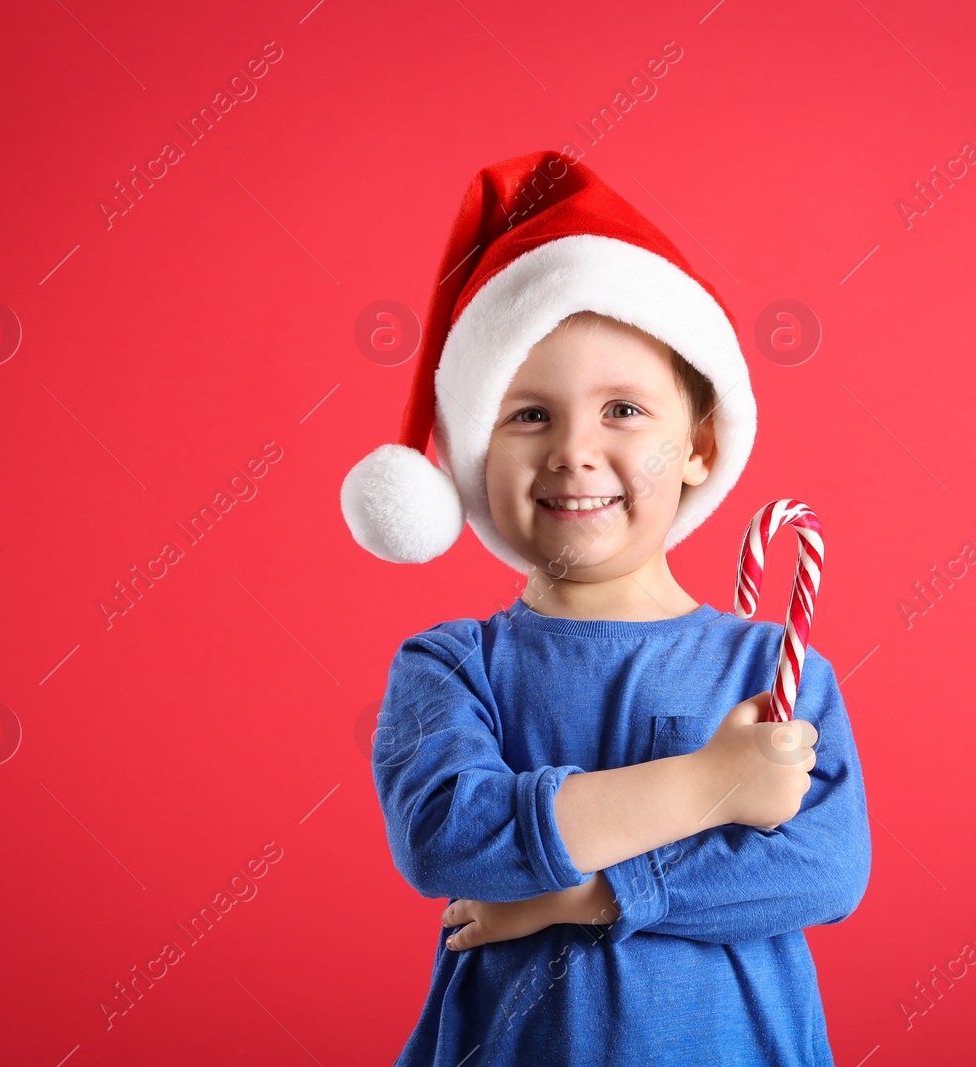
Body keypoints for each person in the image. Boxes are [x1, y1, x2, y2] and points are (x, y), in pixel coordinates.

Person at [340, 150, 872, 1066]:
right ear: (471, 455)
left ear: (699, 444)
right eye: (529, 415)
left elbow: (821, 868)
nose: (575, 452)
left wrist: (578, 897)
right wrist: (709, 788)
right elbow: (450, 833)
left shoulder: (772, 671)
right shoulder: (452, 665)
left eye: (623, 409)